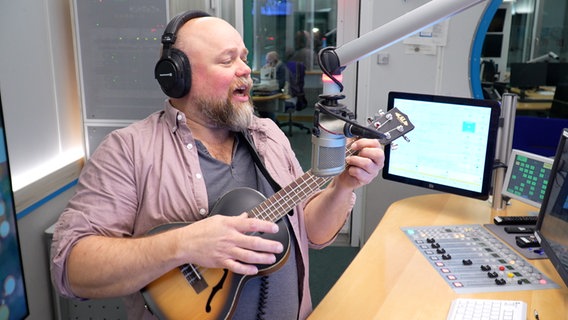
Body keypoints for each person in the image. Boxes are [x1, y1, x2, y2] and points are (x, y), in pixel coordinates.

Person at [50, 11, 384, 320]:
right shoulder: (128, 151)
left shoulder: (268, 135)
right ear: (178, 77)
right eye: (227, 60)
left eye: (244, 57)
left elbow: (310, 232)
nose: (246, 70)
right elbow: (71, 269)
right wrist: (183, 244)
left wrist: (343, 186)